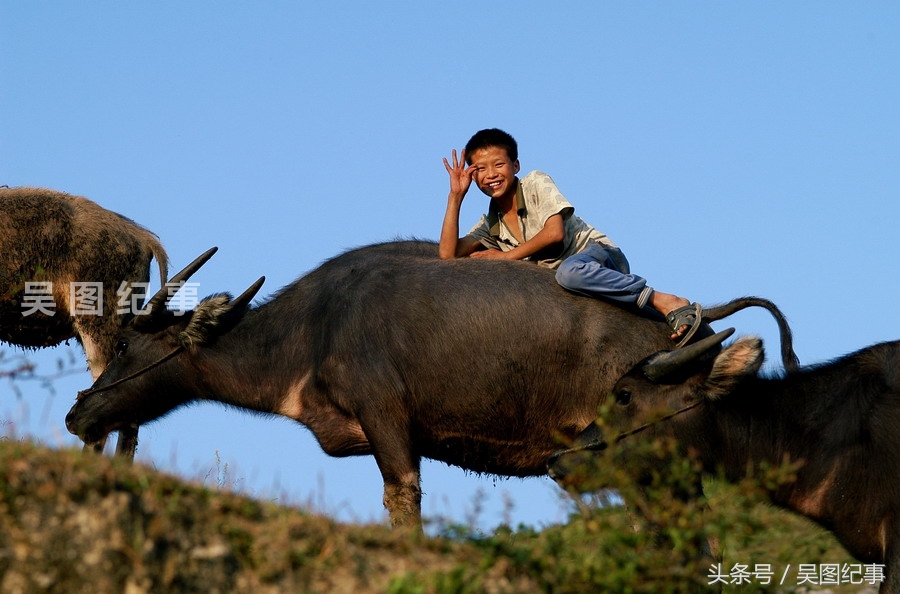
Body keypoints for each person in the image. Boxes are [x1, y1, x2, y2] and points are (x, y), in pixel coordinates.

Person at [438, 128, 701, 343]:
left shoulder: (534, 183)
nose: (491, 175)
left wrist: (506, 257)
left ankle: (666, 300)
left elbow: (554, 233)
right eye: (480, 170)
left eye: (498, 165)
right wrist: (456, 196)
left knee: (569, 272)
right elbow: (447, 255)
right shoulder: (490, 223)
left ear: (515, 165)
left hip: (595, 256)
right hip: (564, 281)